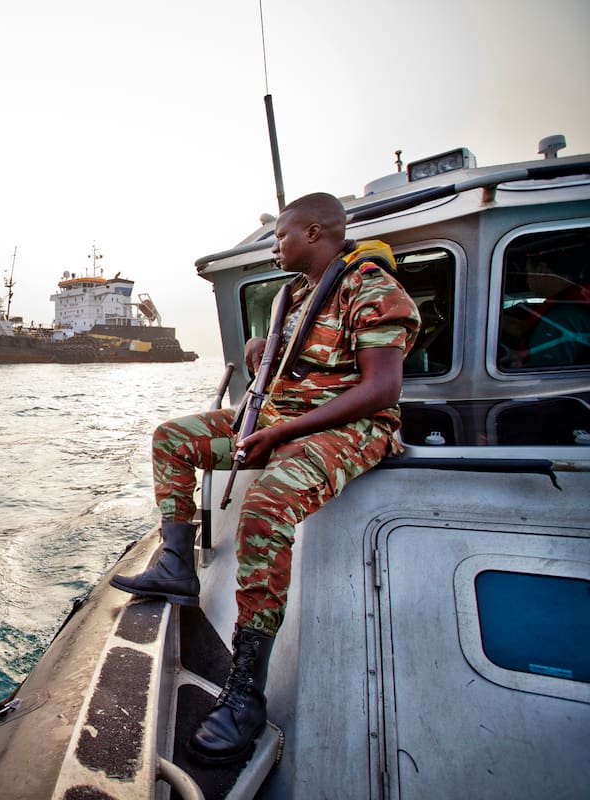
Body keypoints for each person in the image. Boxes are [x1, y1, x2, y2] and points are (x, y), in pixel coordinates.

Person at [110, 192, 420, 764]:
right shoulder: (294, 297)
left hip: (352, 426)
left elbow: (382, 390)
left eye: (281, 236)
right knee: (171, 439)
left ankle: (246, 692)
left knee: (265, 507)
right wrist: (261, 354)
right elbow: (293, 366)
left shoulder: (371, 288)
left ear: (315, 232)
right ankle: (177, 566)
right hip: (282, 416)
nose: (276, 246)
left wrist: (283, 433)